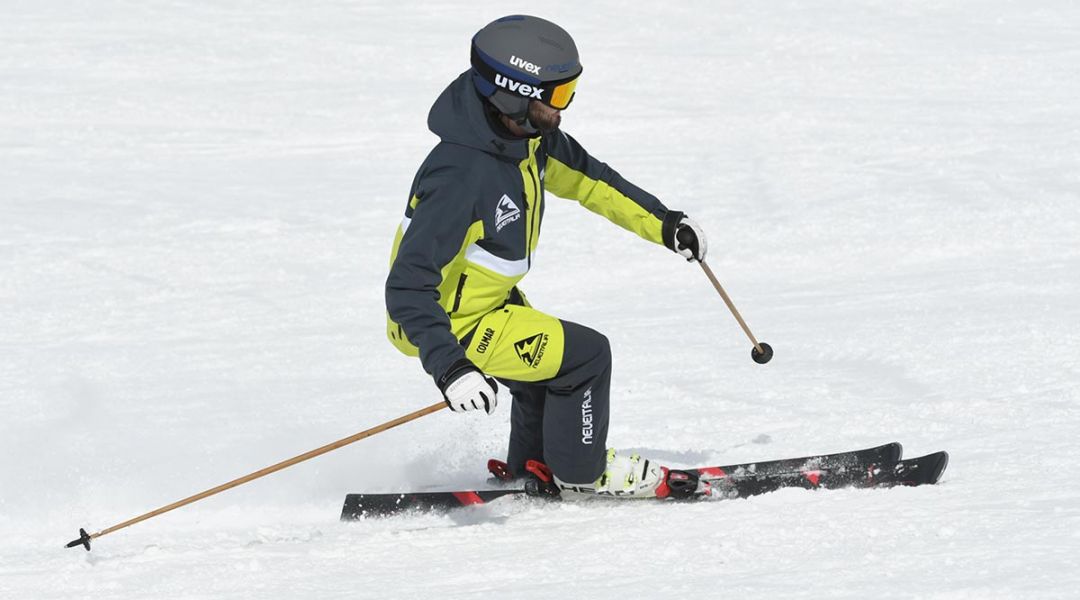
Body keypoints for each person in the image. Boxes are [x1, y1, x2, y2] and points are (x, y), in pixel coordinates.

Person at [385, 15, 707, 499]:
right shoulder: (461, 177)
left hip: (484, 302)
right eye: (555, 95)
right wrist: (451, 367)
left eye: (568, 91)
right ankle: (582, 472)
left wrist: (664, 223)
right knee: (584, 357)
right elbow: (407, 286)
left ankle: (532, 467)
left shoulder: (525, 140)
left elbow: (591, 180)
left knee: (543, 370)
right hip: (442, 322)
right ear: (513, 93)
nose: (565, 107)